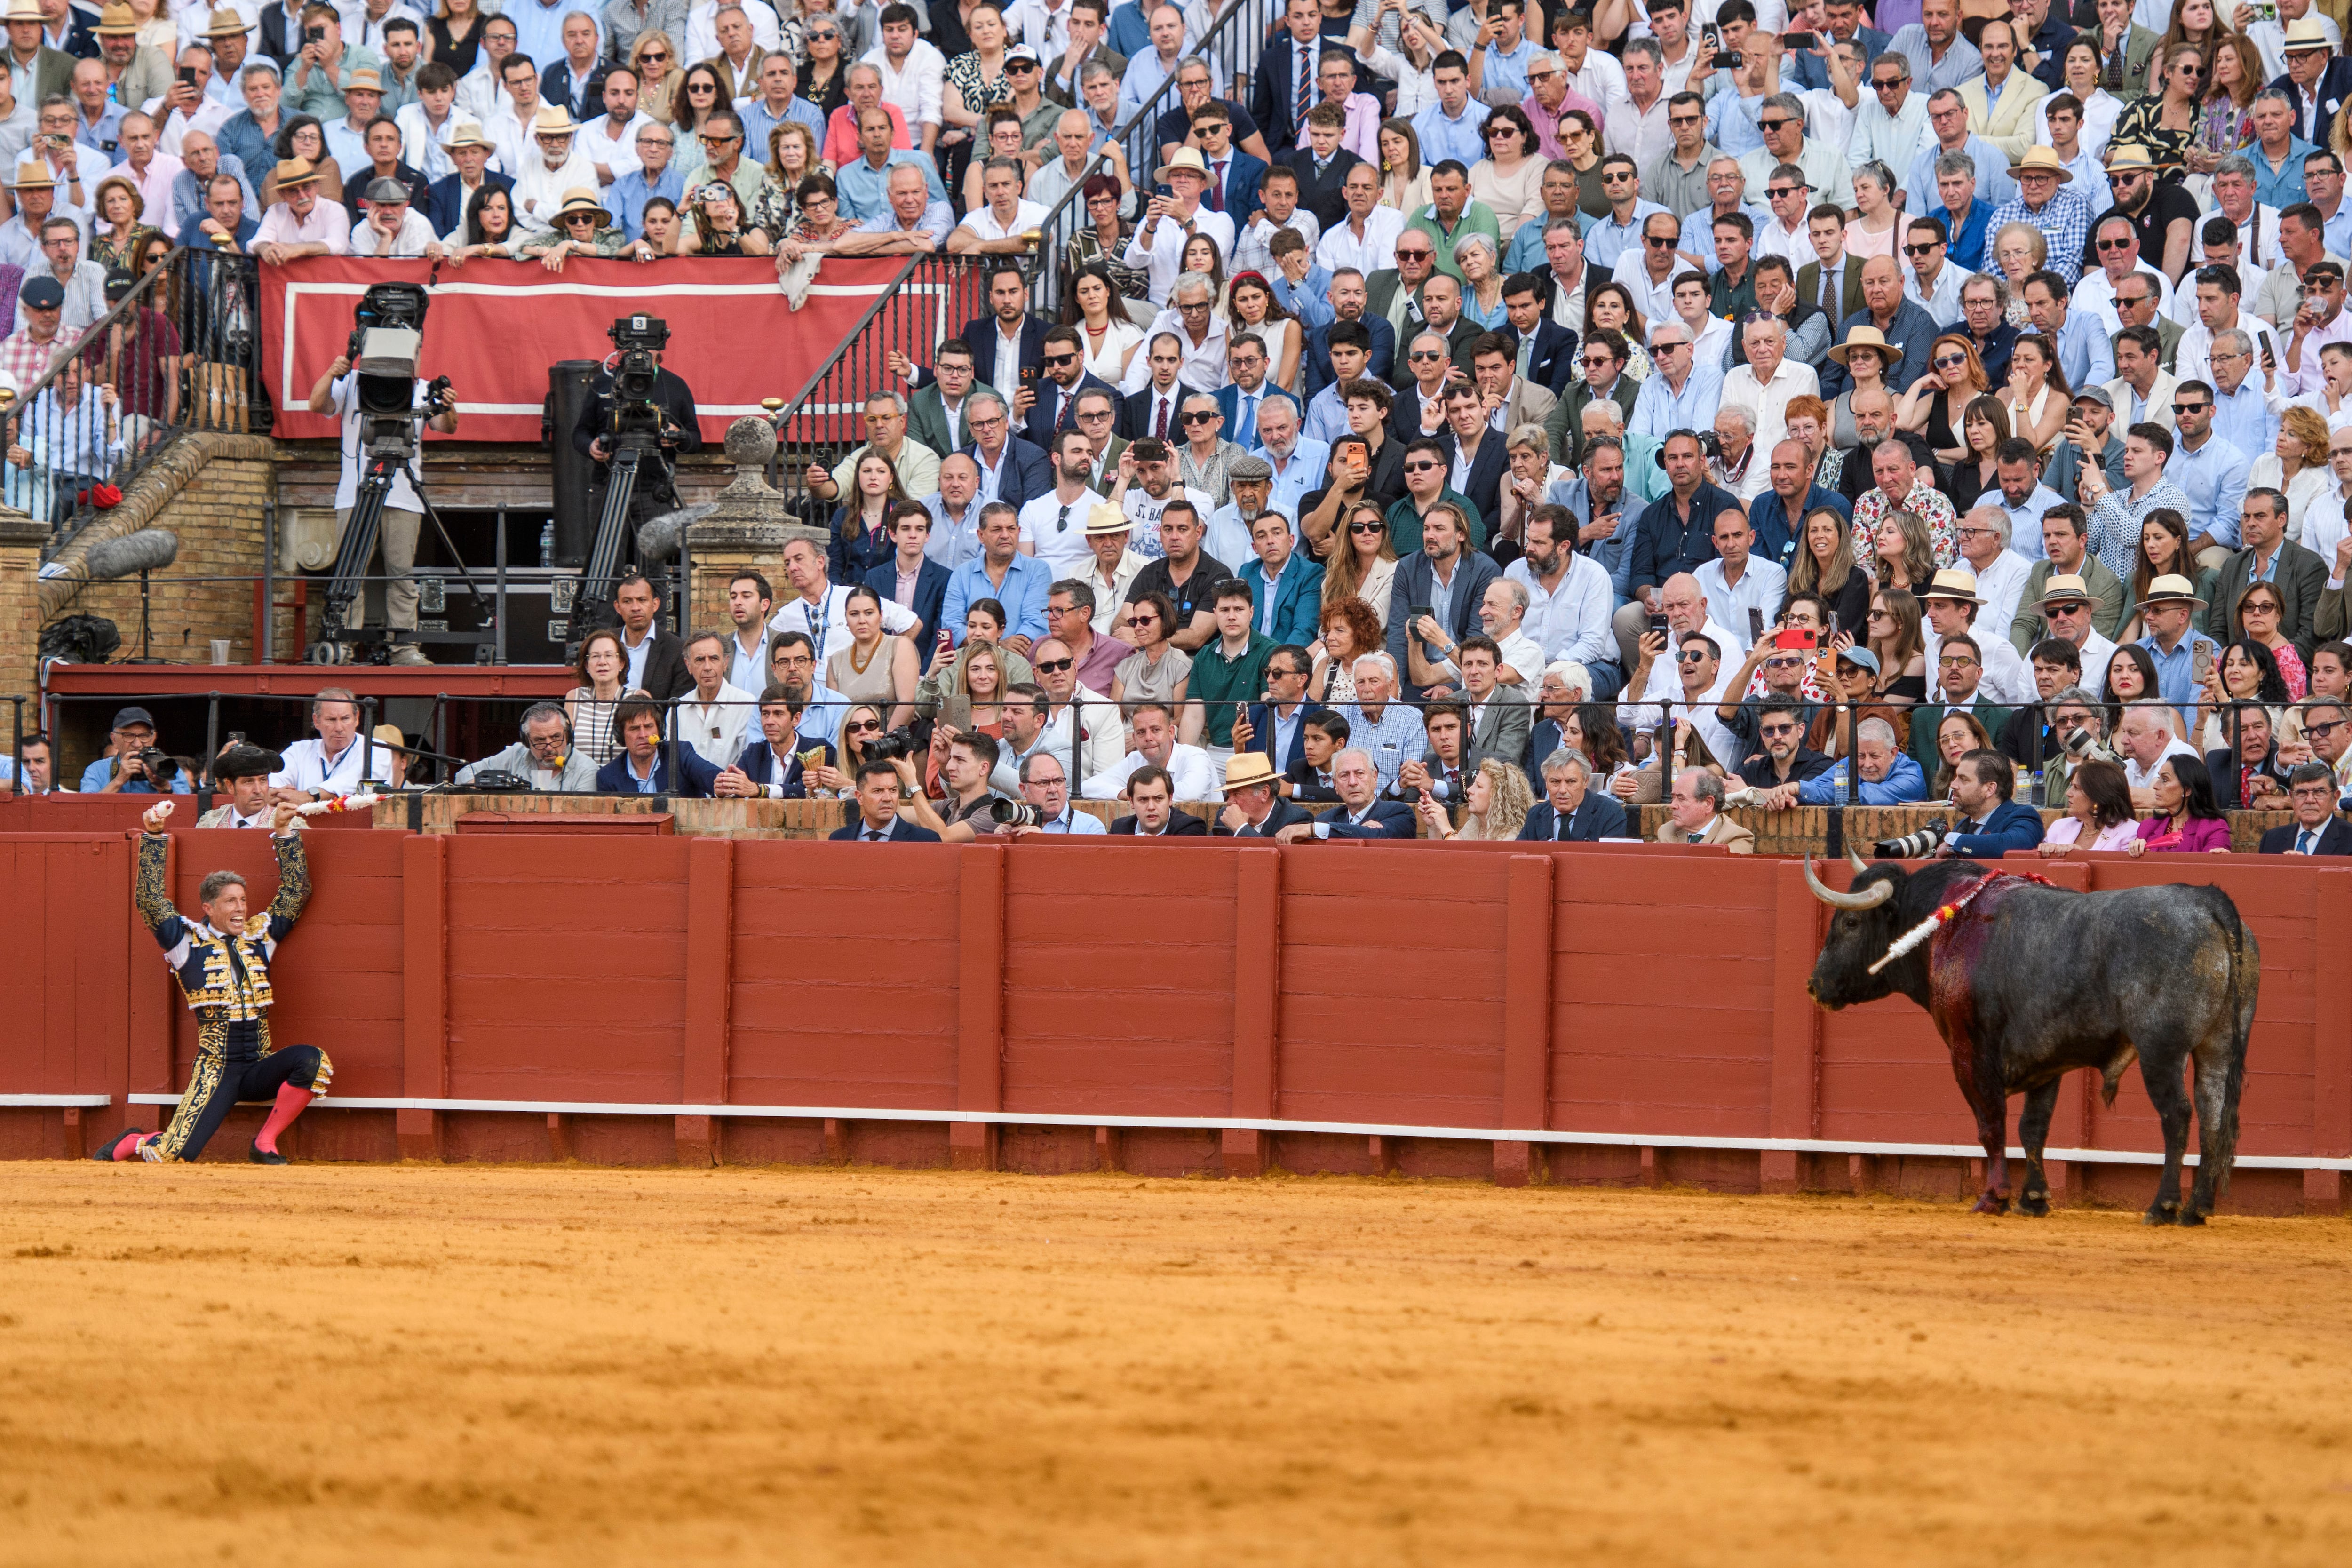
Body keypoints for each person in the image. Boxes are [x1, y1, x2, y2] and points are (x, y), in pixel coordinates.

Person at [91, 797, 332, 1165]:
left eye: (242, 900)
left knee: (313, 1060)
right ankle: (132, 1142)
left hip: (258, 1065)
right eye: (230, 902)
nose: (240, 908)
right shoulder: (184, 941)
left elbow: (296, 894)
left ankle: (265, 1142)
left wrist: (285, 832)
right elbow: (150, 901)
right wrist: (154, 838)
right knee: (173, 1155)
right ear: (209, 908)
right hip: (217, 1068)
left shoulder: (259, 935)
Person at [568, 317, 699, 553]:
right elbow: (580, 433)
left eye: (646, 345)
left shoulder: (676, 386)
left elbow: (695, 439)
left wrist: (679, 437)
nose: (639, 353)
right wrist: (591, 446)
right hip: (608, 483)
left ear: (659, 349)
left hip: (654, 487)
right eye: (633, 346)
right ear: (621, 350)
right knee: (606, 558)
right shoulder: (603, 384)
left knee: (655, 562)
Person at [455, 701, 599, 790]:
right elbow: (464, 774)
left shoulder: (586, 770)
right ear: (527, 741)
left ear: (567, 735)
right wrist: (481, 784)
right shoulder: (516, 754)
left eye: (556, 738)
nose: (549, 747)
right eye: (540, 740)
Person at [2124, 751, 2233, 852]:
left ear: (2187, 790)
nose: (2156, 786)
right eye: (2159, 778)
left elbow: (2213, 866)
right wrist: (2137, 852)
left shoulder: (2214, 828)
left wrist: (2218, 856)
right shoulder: (2148, 826)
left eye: (2165, 780)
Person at [1516, 747, 1628, 840]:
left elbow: (1611, 863)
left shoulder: (1609, 814)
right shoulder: (1535, 815)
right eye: (1555, 782)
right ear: (1546, 782)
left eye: (1571, 782)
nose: (1563, 790)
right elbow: (1518, 858)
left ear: (1585, 782)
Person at [829, 757, 944, 840]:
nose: (888, 798)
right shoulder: (839, 838)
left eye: (893, 790)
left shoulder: (924, 839)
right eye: (878, 791)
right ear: (860, 797)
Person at [2259, 760, 2352, 852]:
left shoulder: (2349, 839)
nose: (2310, 800)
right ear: (2292, 797)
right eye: (2302, 793)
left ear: (2335, 798)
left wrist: (2306, 865)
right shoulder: (2272, 839)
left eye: (2319, 792)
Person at [1654, 765, 1755, 850]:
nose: (1673, 805)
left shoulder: (1736, 837)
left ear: (1708, 803)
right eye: (1674, 798)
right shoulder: (1667, 831)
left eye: (1681, 799)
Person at [1104, 764, 1205, 834]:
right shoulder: (1119, 829)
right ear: (1132, 802)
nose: (1151, 807)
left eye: (1158, 799)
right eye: (1143, 800)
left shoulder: (1190, 827)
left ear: (1170, 799)